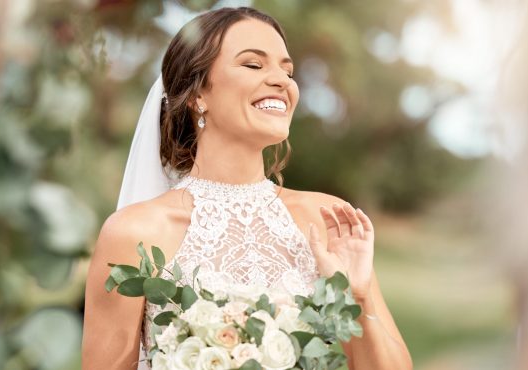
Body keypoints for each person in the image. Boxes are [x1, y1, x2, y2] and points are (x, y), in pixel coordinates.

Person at [82, 6, 412, 370]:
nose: (282, 81)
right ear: (197, 94)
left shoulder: (326, 218)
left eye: (288, 71)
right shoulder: (134, 234)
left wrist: (358, 296)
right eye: (253, 65)